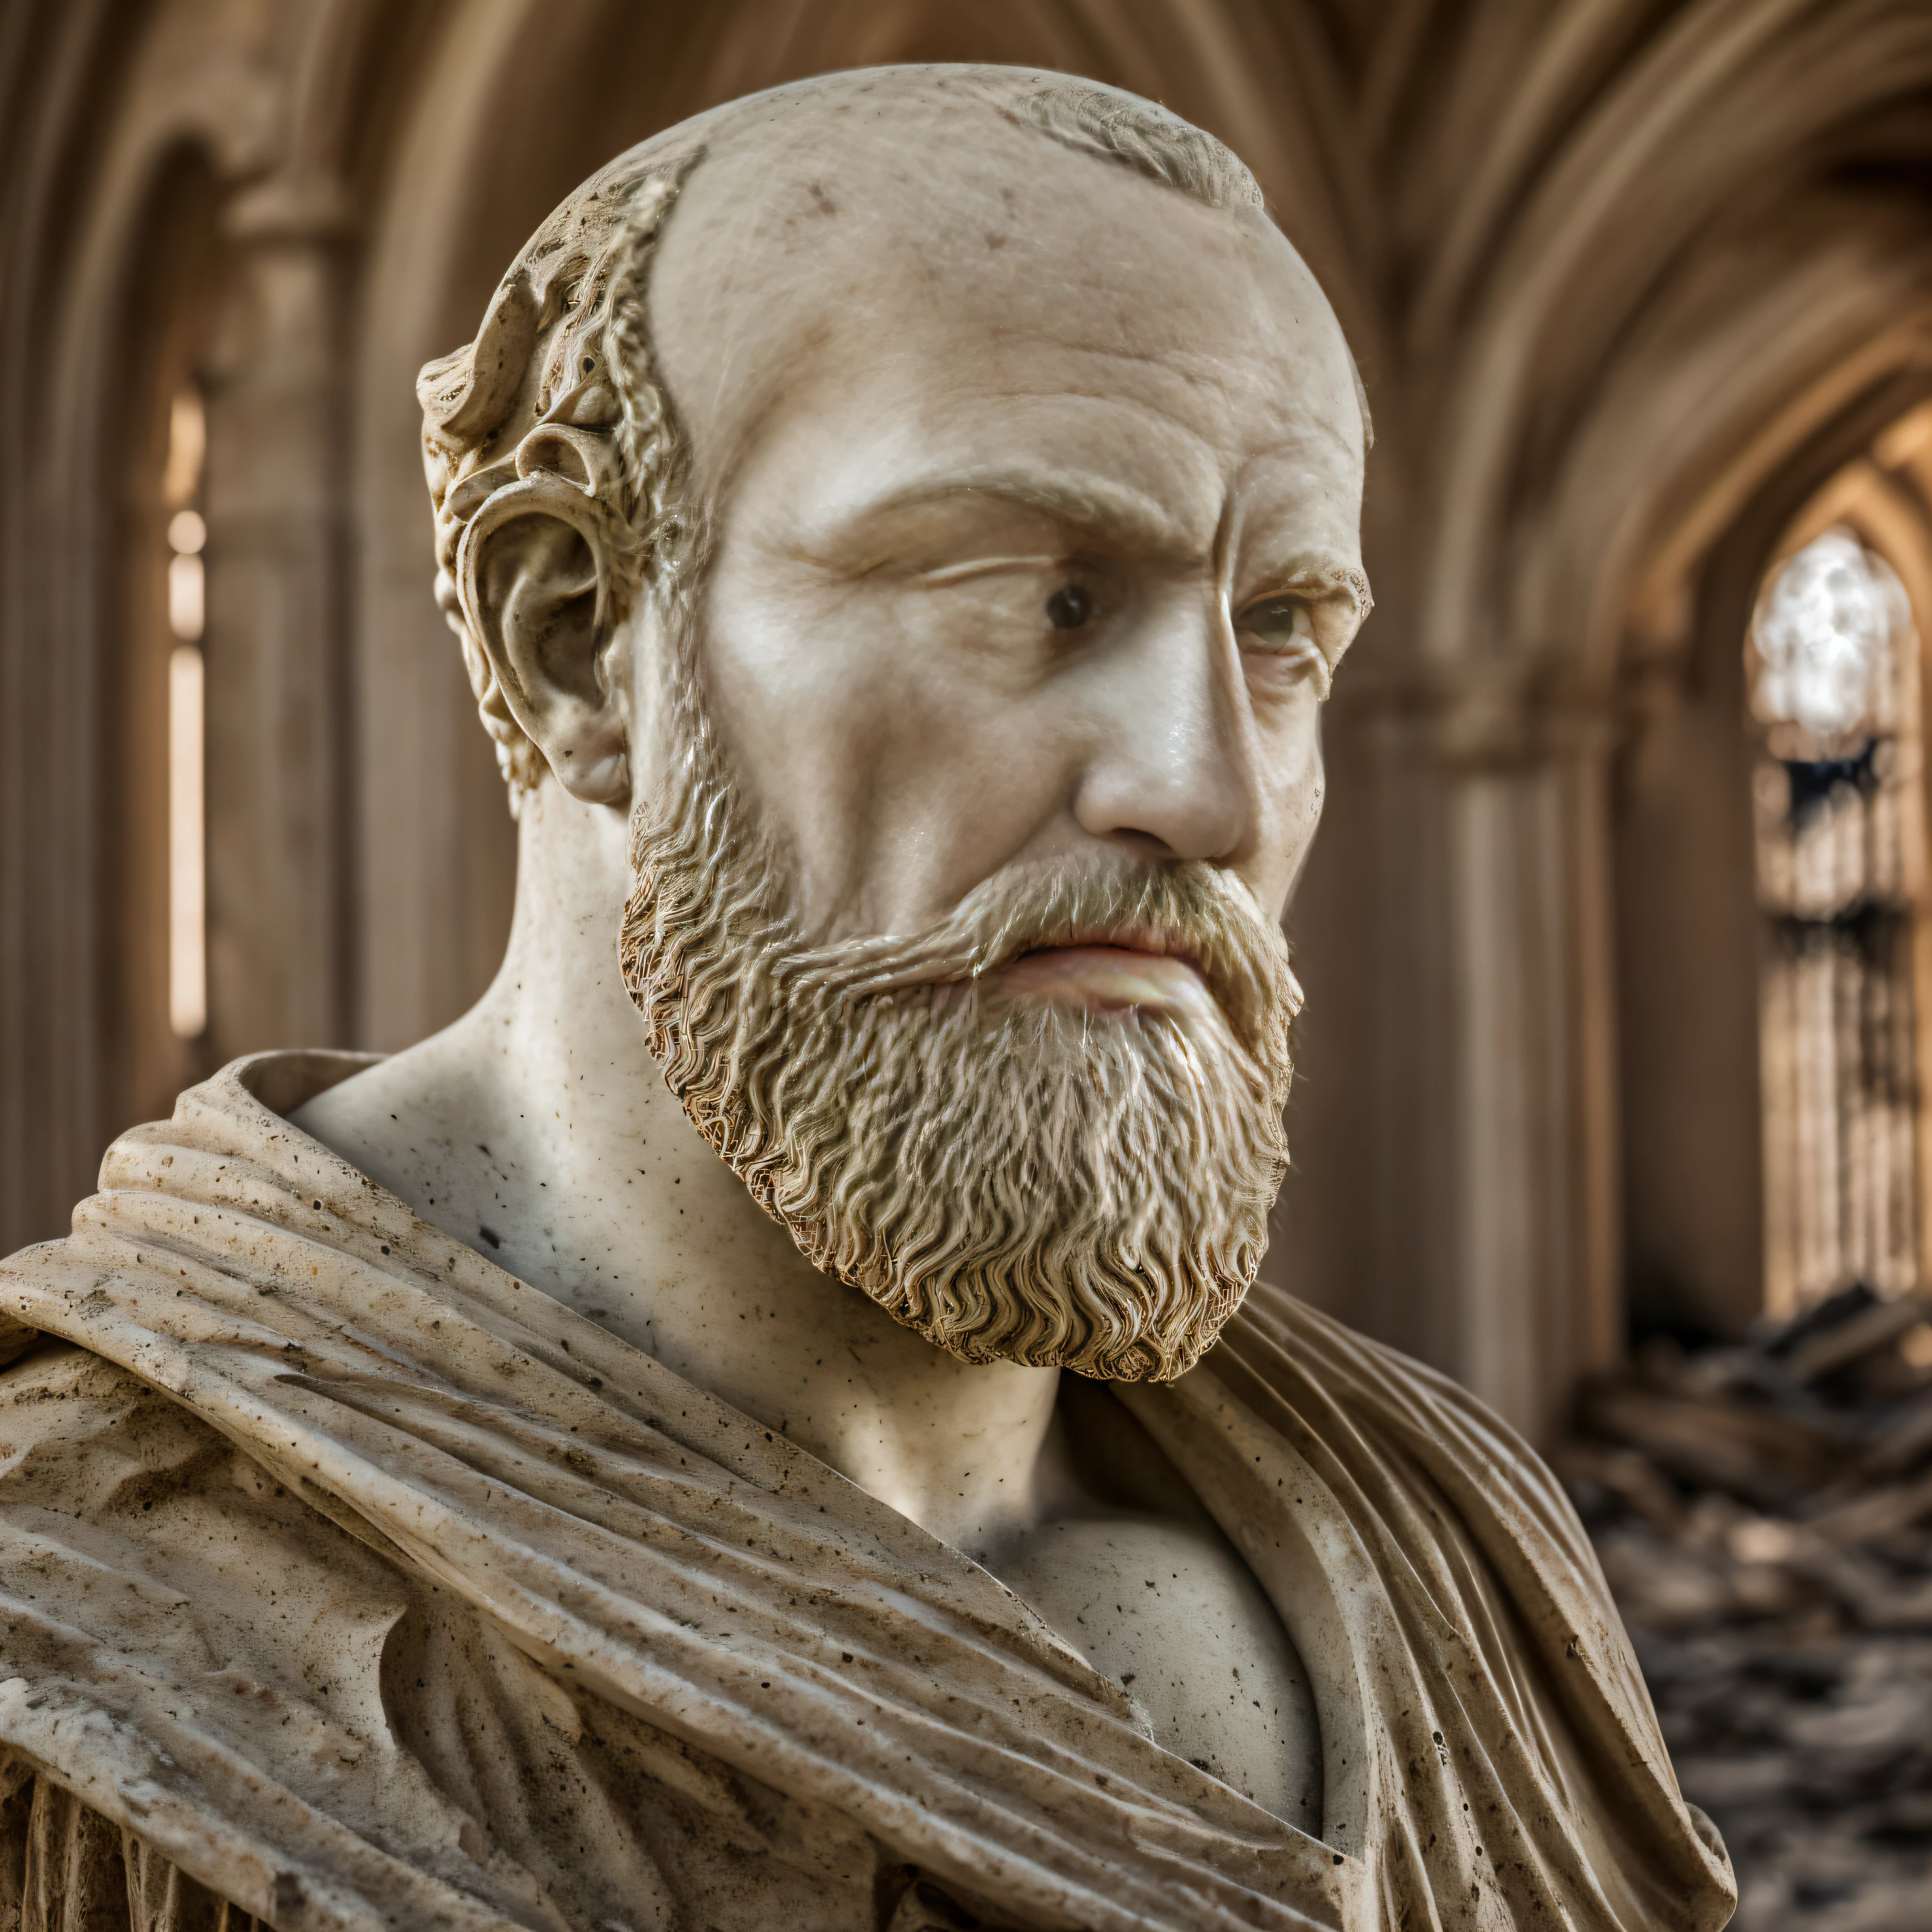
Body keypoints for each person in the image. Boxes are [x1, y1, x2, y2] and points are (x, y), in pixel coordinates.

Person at [0, 67, 1733, 1932]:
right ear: (570, 625)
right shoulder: (93, 1599)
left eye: (1279, 629)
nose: (1212, 796)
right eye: (1045, 596)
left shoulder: (1446, 1552)